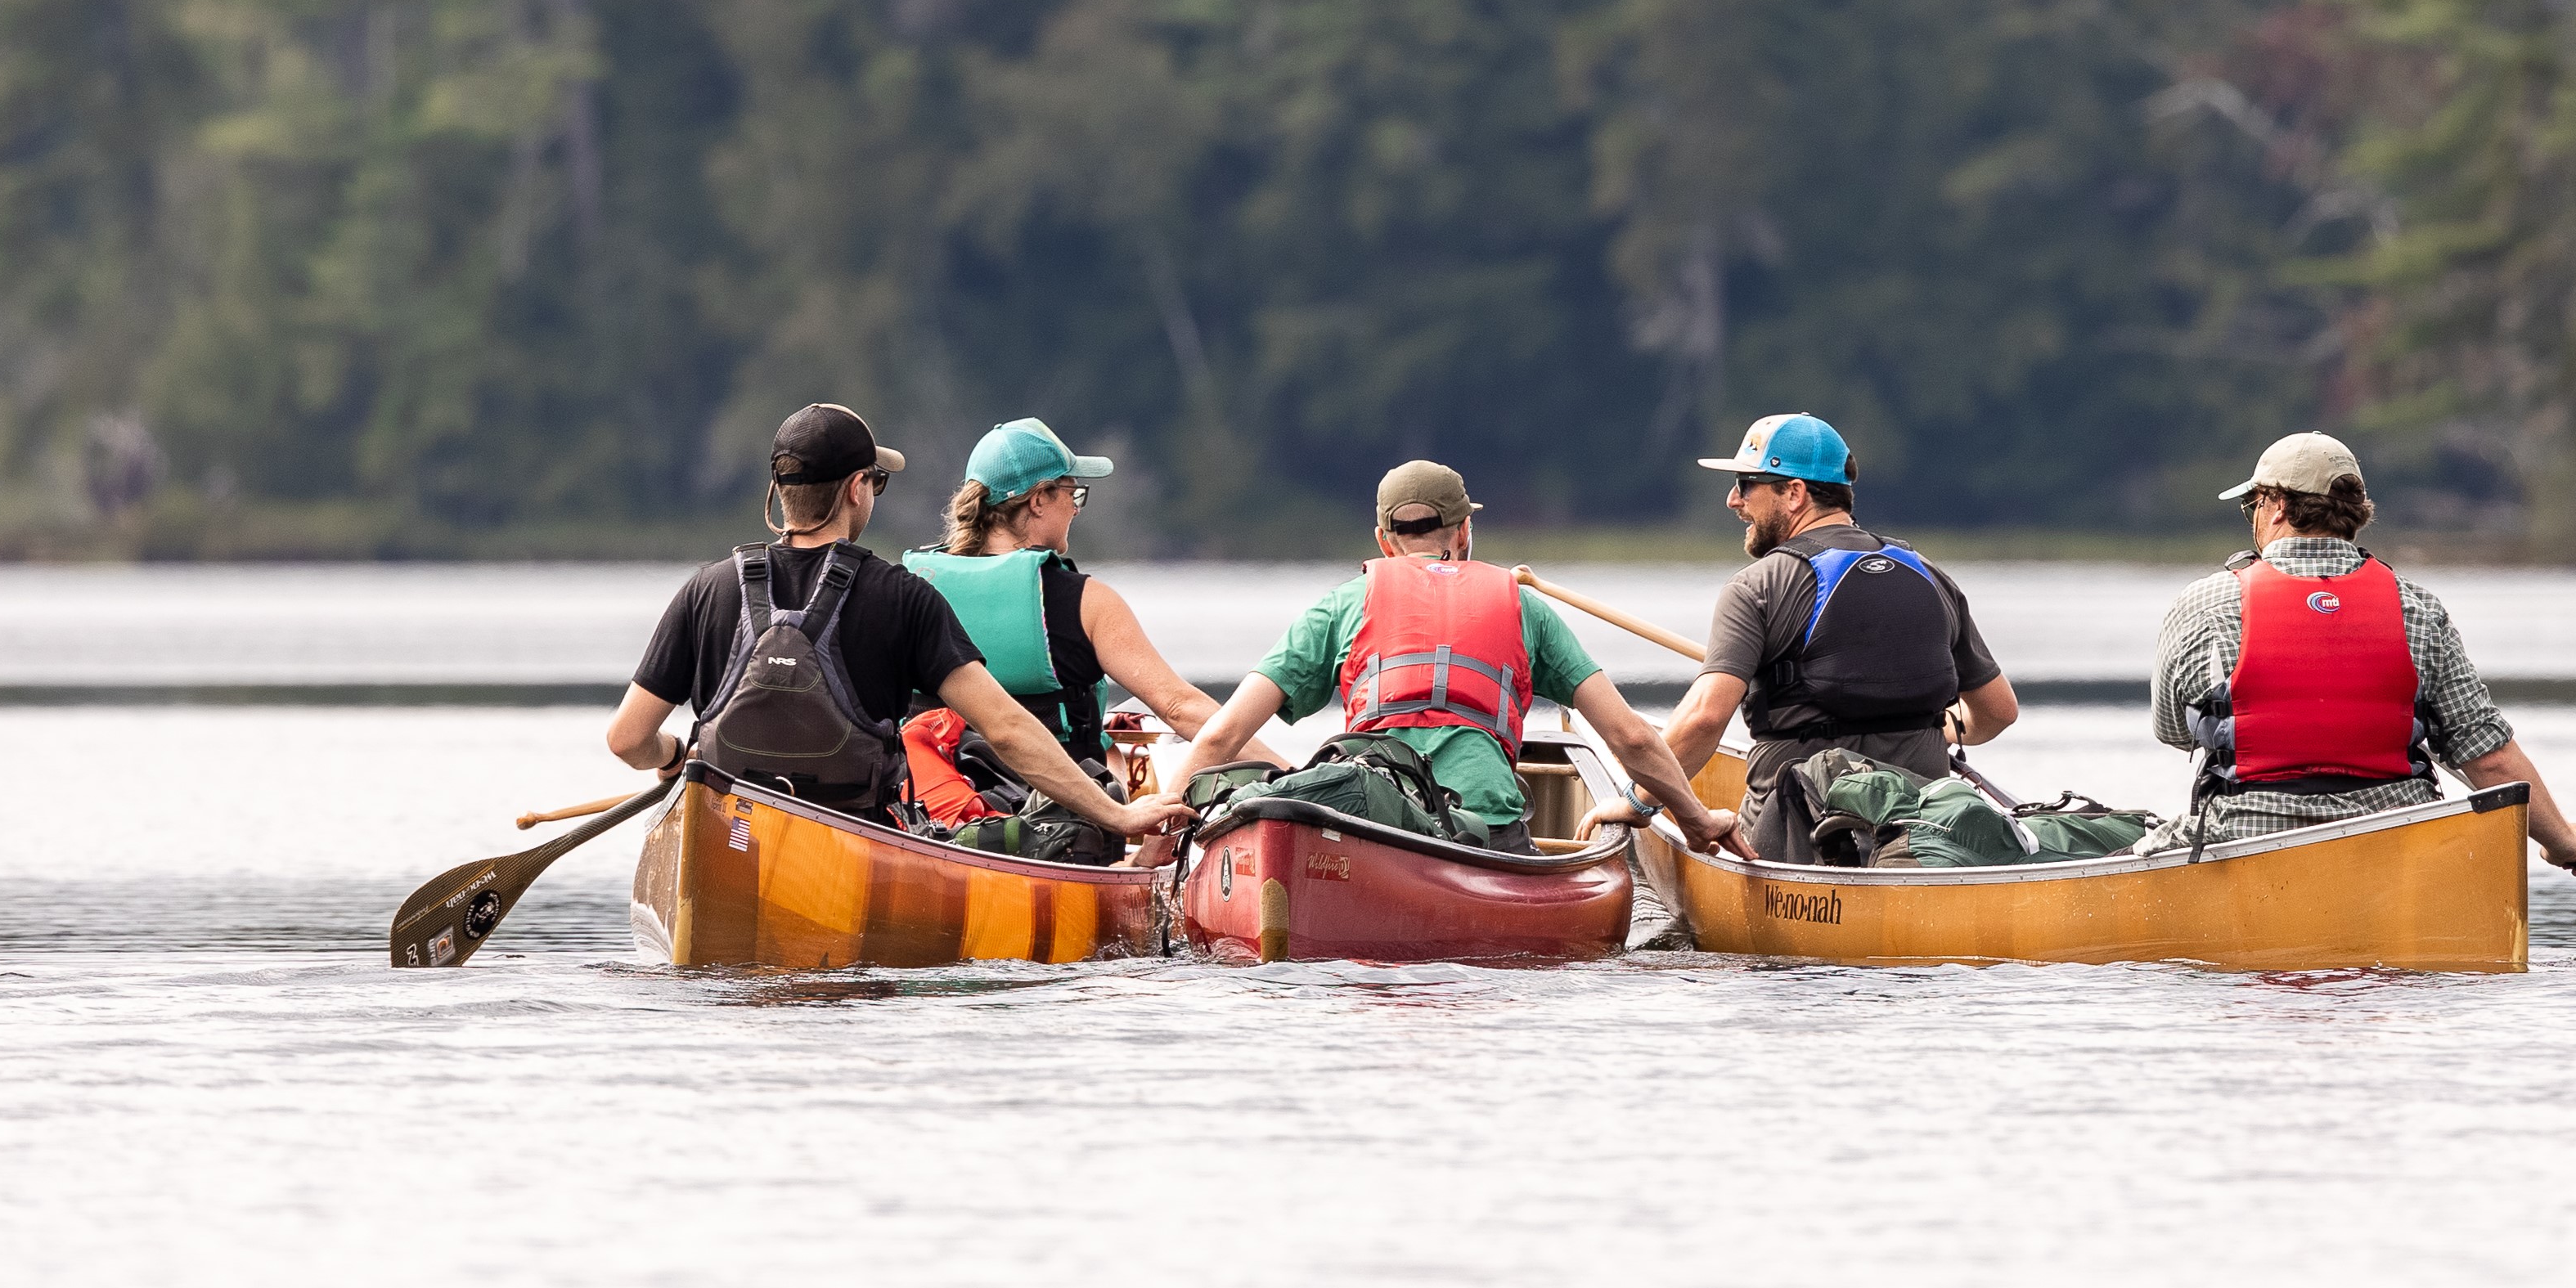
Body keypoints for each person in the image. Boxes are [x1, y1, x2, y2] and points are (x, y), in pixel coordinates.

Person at [600, 402, 1189, 853]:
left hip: (733, 837)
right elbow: (1006, 728)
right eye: (875, 483)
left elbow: (627, 740)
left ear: (780, 494)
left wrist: (676, 755)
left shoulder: (707, 588)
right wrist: (1114, 814)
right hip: (852, 846)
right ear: (858, 489)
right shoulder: (902, 597)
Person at [1183, 460, 1742, 855]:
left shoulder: (1341, 604)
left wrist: (1148, 842)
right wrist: (1695, 820)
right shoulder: (1523, 607)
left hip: (1373, 823)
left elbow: (1216, 739)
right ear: (1466, 529)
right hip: (1485, 822)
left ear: (1384, 540)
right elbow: (1635, 740)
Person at [2153, 432, 2576, 864]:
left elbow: (2173, 730)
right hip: (2397, 849)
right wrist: (2564, 842)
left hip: (2247, 842)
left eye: (2253, 504)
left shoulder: (2202, 603)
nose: (2253, 515)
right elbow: (2490, 758)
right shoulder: (2418, 609)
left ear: (2279, 506)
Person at [1660, 413, 2019, 864]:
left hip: (1795, 848)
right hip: (1923, 841)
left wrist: (1636, 802)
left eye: (1746, 483)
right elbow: (1999, 711)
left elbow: (1703, 720)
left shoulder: (1756, 586)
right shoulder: (1929, 574)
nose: (1734, 499)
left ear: (1794, 493)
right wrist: (1937, 729)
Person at [898, 417, 1223, 824]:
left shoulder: (909, 590)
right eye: (1073, 494)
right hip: (1063, 828)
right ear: (1038, 500)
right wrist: (1286, 772)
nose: (1075, 508)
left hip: (934, 818)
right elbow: (1180, 707)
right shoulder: (1086, 602)